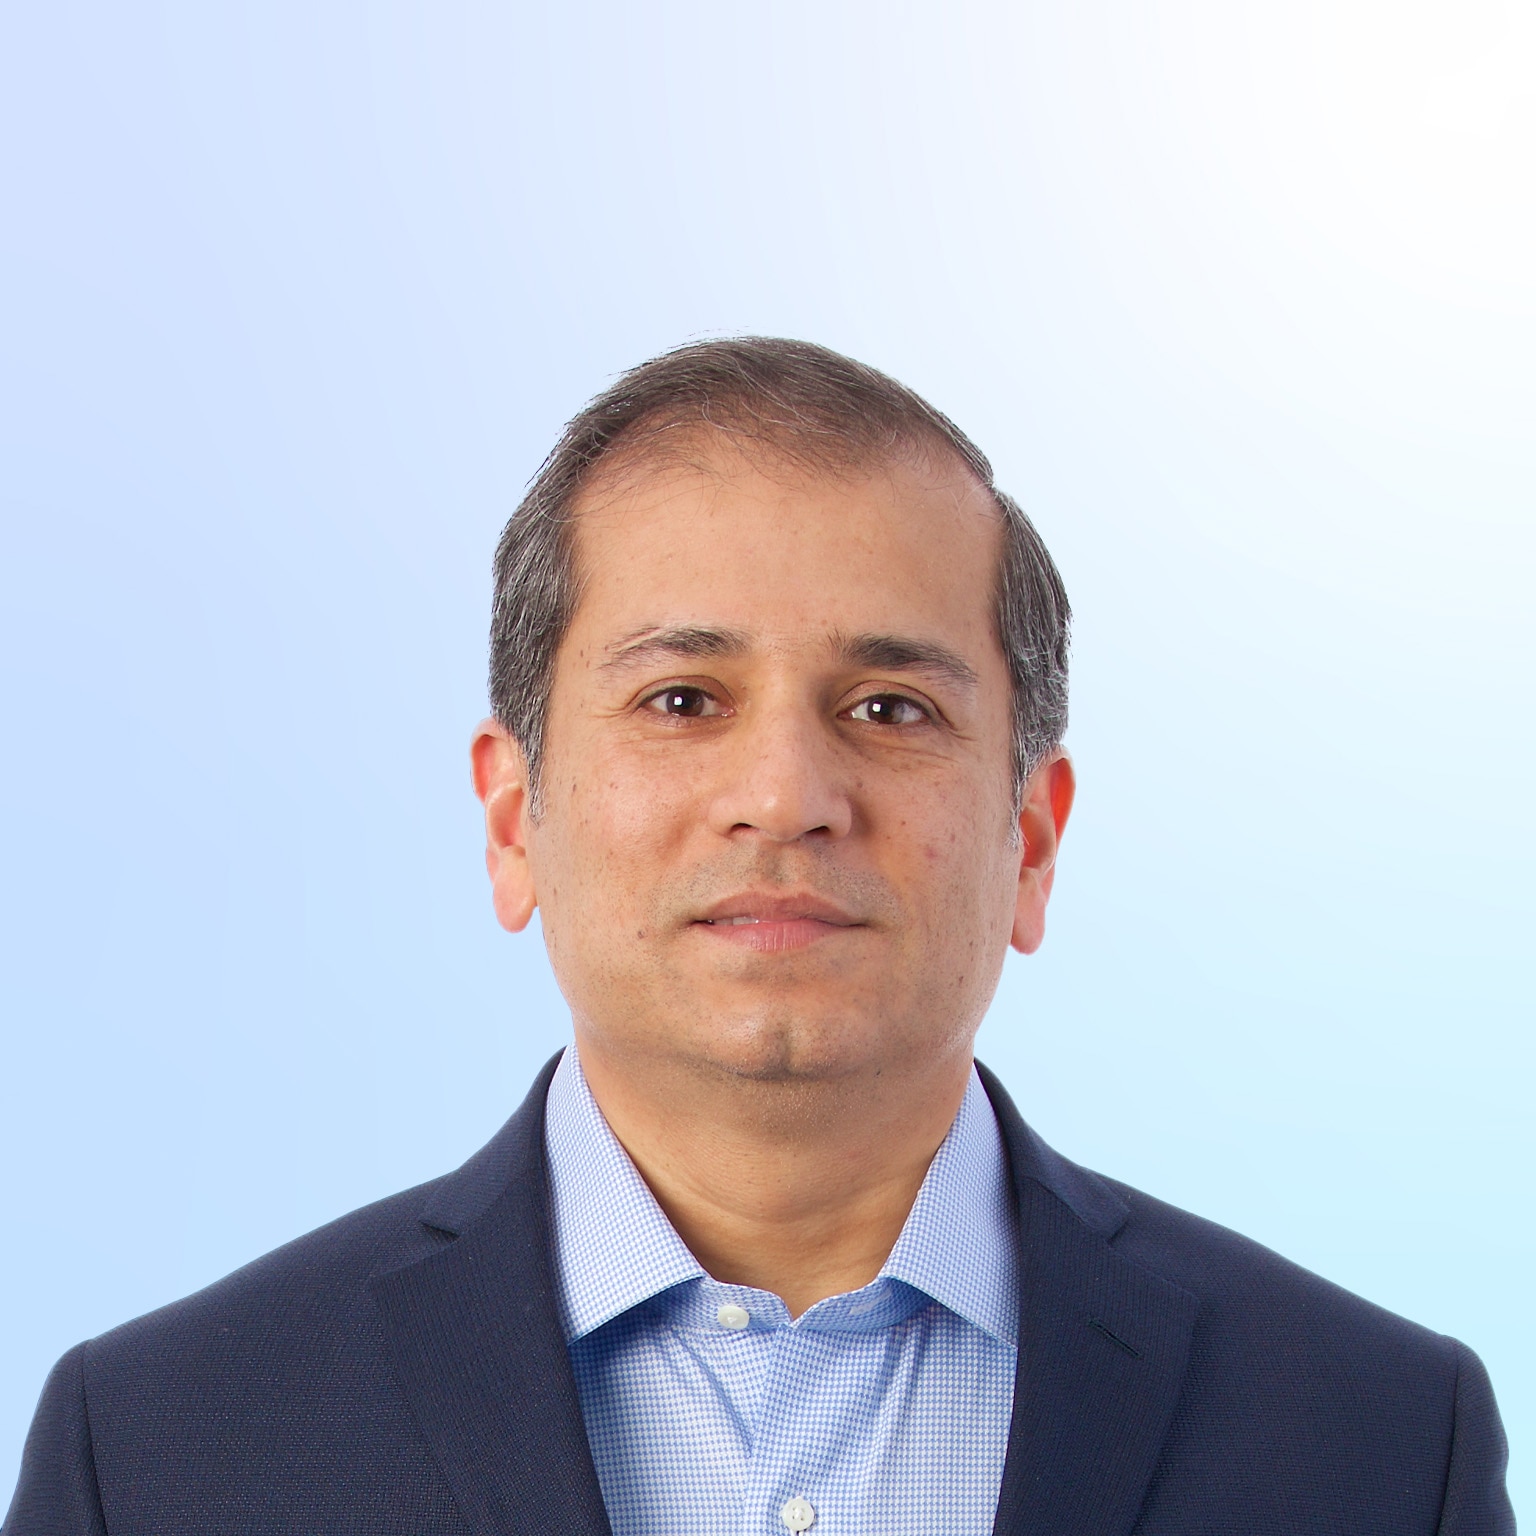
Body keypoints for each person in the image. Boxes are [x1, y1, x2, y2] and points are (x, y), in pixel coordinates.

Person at [5, 338, 1513, 1536]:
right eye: (682, 701)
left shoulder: (1377, 1443)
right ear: (511, 813)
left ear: (1033, 836)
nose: (787, 796)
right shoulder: (157, 1456)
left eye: (889, 709)